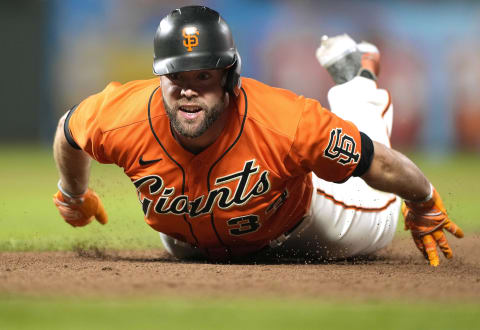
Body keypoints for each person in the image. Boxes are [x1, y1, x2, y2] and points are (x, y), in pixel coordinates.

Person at [53, 5, 463, 266]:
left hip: (305, 228)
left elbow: (376, 162)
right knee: (182, 241)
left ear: (230, 77)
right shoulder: (121, 115)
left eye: (204, 75)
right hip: (189, 243)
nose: (188, 88)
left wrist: (423, 200)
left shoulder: (285, 122)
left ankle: (356, 77)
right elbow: (68, 131)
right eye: (176, 76)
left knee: (381, 208)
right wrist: (73, 194)